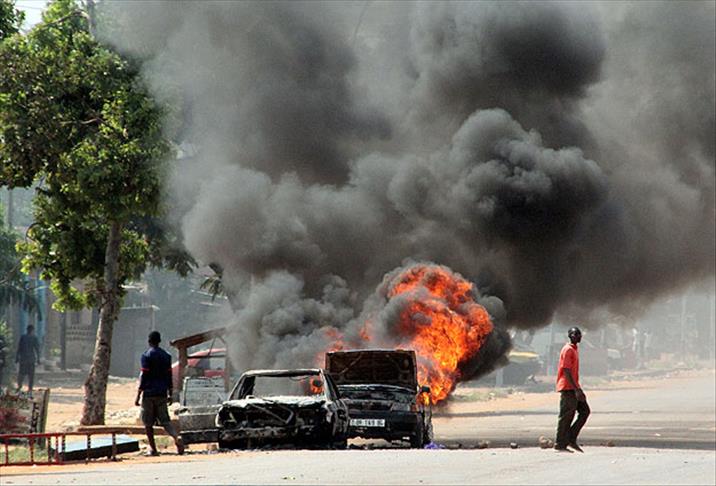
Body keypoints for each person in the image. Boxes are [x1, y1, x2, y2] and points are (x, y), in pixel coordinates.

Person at [135, 331, 184, 456]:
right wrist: (170, 393)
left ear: (149, 341)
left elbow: (144, 376)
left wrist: (138, 395)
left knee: (148, 424)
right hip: (162, 393)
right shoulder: (166, 356)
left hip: (149, 394)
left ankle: (153, 449)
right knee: (165, 421)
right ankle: (176, 437)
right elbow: (169, 375)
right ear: (159, 341)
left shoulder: (146, 355)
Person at [554, 326, 590, 453]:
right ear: (570, 336)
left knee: (584, 411)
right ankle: (560, 443)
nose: (578, 336)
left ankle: (570, 438)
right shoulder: (568, 350)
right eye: (575, 334)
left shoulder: (574, 349)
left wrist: (578, 388)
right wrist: (576, 390)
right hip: (568, 387)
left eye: (579, 334)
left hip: (573, 386)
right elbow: (566, 370)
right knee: (566, 416)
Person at [16, 325, 40, 394]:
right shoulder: (34, 338)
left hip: (23, 359)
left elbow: (19, 348)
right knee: (31, 375)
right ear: (32, 330)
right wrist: (38, 359)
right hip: (31, 359)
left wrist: (17, 357)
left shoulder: (23, 337)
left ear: (27, 330)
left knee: (21, 373)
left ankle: (19, 386)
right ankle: (30, 388)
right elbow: (37, 349)